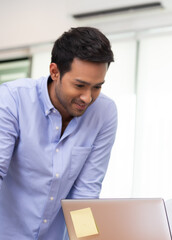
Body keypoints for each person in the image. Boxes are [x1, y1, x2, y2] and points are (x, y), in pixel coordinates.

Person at [0, 27, 117, 239]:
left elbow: (85, 195)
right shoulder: (11, 100)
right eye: (79, 85)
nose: (87, 98)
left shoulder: (104, 113)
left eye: (97, 87)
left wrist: (86, 238)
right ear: (55, 72)